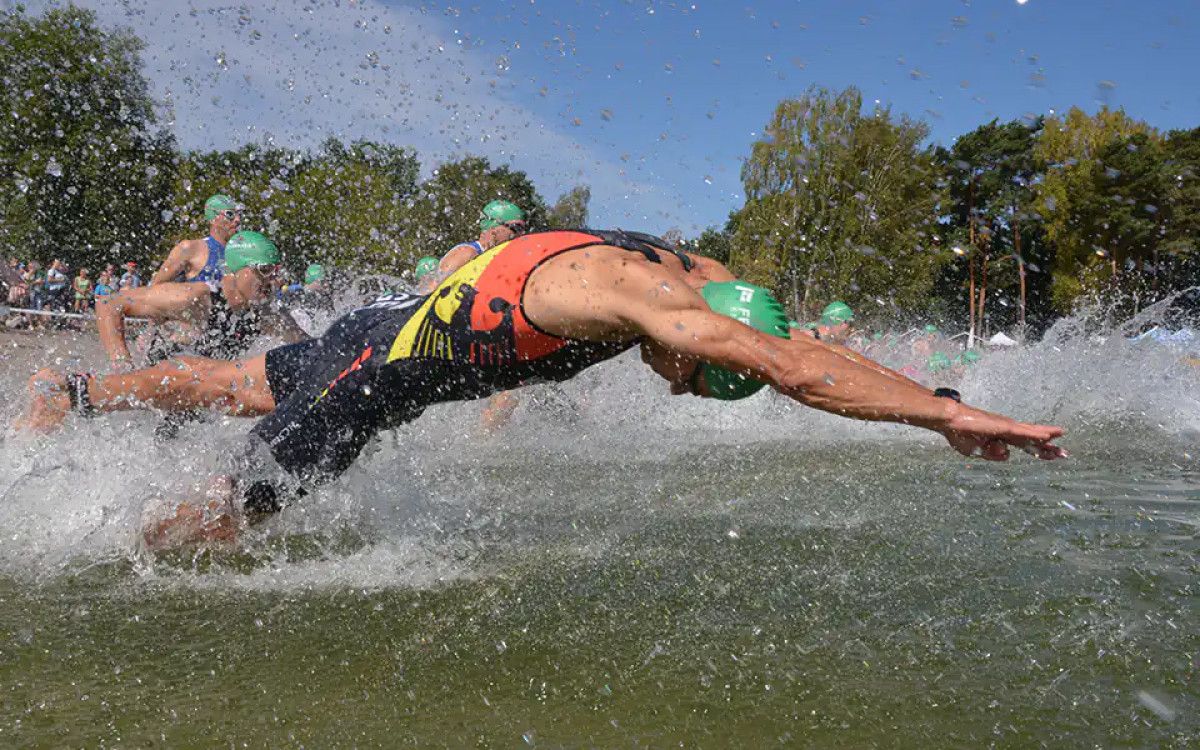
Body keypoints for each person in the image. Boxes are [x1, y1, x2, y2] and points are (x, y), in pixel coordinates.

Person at [19, 229, 1065, 548]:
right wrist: (945, 412)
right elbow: (791, 365)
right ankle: (81, 553)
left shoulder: (688, 274)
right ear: (695, 340)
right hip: (372, 380)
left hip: (376, 334)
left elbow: (780, 352)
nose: (679, 391)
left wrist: (919, 392)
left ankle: (73, 390)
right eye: (696, 383)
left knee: (231, 380)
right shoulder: (647, 298)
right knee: (223, 527)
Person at [94, 231, 307, 369]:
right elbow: (109, 304)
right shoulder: (194, 298)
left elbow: (315, 349)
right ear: (236, 269)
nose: (272, 281)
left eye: (276, 273)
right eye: (265, 270)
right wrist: (121, 363)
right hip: (161, 385)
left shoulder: (265, 316)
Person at [417, 200, 528, 293]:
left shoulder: (498, 259)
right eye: (516, 228)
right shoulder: (466, 253)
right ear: (494, 228)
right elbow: (430, 291)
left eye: (523, 229)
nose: (521, 234)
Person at [150, 194, 242, 287]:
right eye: (230, 214)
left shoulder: (242, 253)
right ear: (213, 219)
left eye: (239, 215)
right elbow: (155, 289)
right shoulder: (191, 248)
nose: (238, 220)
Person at [790, 301, 856, 345]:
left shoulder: (829, 340)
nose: (852, 329)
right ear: (834, 320)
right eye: (850, 323)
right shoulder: (807, 336)